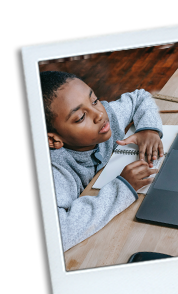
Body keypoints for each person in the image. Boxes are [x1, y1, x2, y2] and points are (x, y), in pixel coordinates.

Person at [40, 71, 164, 252]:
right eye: (81, 117)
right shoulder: (54, 169)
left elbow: (140, 97)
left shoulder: (107, 119)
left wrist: (149, 129)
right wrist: (122, 187)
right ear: (53, 140)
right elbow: (56, 235)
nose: (99, 114)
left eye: (94, 100)